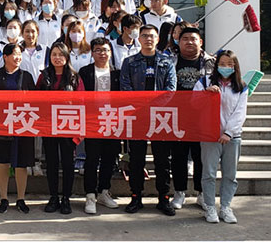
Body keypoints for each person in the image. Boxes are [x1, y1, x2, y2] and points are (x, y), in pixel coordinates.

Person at [120, 24, 177, 216]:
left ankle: (164, 197)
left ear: (158, 39)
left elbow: (170, 89)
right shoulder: (129, 62)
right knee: (137, 160)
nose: (148, 39)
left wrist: (154, 106)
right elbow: (125, 88)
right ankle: (136, 196)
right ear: (139, 39)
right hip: (137, 116)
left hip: (161, 117)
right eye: (144, 36)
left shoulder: (167, 62)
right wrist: (142, 107)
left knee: (162, 160)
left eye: (152, 36)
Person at [195, 50, 247, 224]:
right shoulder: (204, 82)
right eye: (222, 64)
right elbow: (193, 103)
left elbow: (240, 112)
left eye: (230, 64)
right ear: (216, 65)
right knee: (209, 173)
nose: (226, 67)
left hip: (232, 137)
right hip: (209, 135)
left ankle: (225, 207)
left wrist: (229, 132)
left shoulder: (241, 86)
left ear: (235, 67)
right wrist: (206, 94)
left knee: (230, 174)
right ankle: (210, 206)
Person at [0, 43, 36, 214]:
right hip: (3, 124)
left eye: (20, 54)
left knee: (22, 164)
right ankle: (4, 198)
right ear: (5, 57)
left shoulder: (26, 76)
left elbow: (35, 101)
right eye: (14, 54)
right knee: (3, 162)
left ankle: (21, 199)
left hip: (23, 125)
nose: (18, 57)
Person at [36, 42, 84, 214]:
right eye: (54, 54)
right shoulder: (44, 76)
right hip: (49, 126)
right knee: (51, 162)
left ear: (67, 57)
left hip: (67, 126)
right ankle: (53, 197)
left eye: (61, 54)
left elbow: (81, 102)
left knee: (68, 163)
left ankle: (66, 198)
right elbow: (36, 101)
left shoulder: (74, 77)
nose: (57, 58)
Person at [170, 27, 215, 210]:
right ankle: (179, 192)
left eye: (193, 39)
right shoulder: (170, 61)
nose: (189, 42)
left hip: (202, 117)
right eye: (185, 38)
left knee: (201, 156)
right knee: (178, 156)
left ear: (200, 42)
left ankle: (201, 193)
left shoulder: (211, 63)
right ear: (178, 42)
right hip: (177, 116)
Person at [78, 38, 121, 214]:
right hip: (92, 120)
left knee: (109, 158)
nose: (102, 53)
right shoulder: (85, 72)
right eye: (98, 50)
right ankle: (90, 195)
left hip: (111, 120)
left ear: (110, 52)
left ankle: (104, 191)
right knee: (92, 158)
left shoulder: (117, 73)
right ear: (92, 53)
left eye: (105, 50)